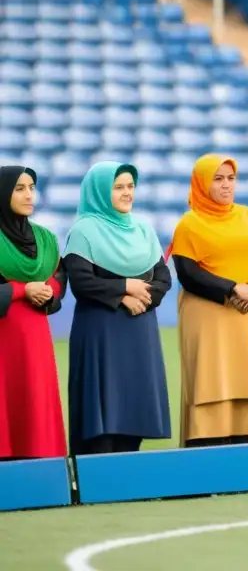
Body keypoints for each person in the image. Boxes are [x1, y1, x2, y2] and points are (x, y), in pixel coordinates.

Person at [169, 154, 248, 448]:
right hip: (208, 315)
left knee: (245, 384)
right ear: (202, 183)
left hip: (247, 315)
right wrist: (232, 289)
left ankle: (244, 462)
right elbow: (187, 273)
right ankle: (205, 463)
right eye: (218, 179)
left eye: (231, 178)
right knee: (211, 381)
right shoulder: (189, 224)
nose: (226, 185)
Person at [65, 162, 172, 455]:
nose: (127, 193)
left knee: (133, 404)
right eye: (118, 187)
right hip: (101, 330)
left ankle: (126, 474)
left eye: (130, 186)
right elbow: (81, 281)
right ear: (100, 192)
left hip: (139, 329)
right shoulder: (83, 231)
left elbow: (163, 277)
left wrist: (143, 299)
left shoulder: (143, 230)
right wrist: (124, 291)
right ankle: (94, 476)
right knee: (102, 406)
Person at [0, 166, 66, 460]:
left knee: (35, 399)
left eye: (32, 187)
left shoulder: (45, 238)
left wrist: (48, 290)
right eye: (19, 189)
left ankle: (42, 472)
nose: (29, 195)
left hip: (36, 336)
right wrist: (20, 291)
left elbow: (59, 275)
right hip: (5, 339)